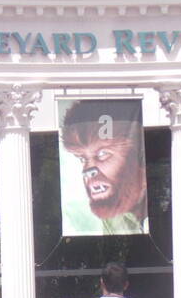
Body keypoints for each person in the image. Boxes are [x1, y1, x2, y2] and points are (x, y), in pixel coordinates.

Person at [60, 100, 149, 234]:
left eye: (102, 154)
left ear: (138, 155)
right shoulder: (110, 221)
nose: (88, 171)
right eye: (82, 158)